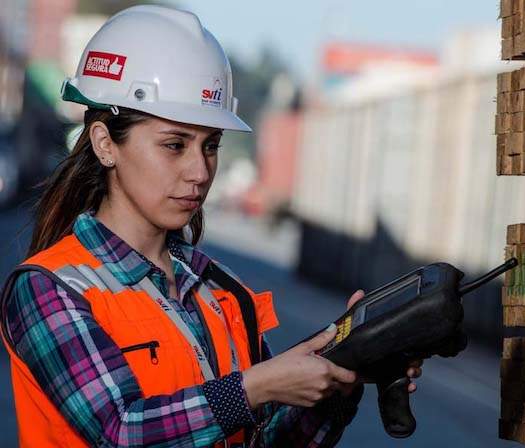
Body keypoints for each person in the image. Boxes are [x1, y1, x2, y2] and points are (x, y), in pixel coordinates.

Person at [0, 5, 422, 447]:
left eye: (211, 146)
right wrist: (256, 387)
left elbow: (267, 440)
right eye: (174, 145)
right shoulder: (50, 289)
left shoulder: (221, 292)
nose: (200, 171)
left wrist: (339, 376)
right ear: (106, 144)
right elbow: (120, 433)